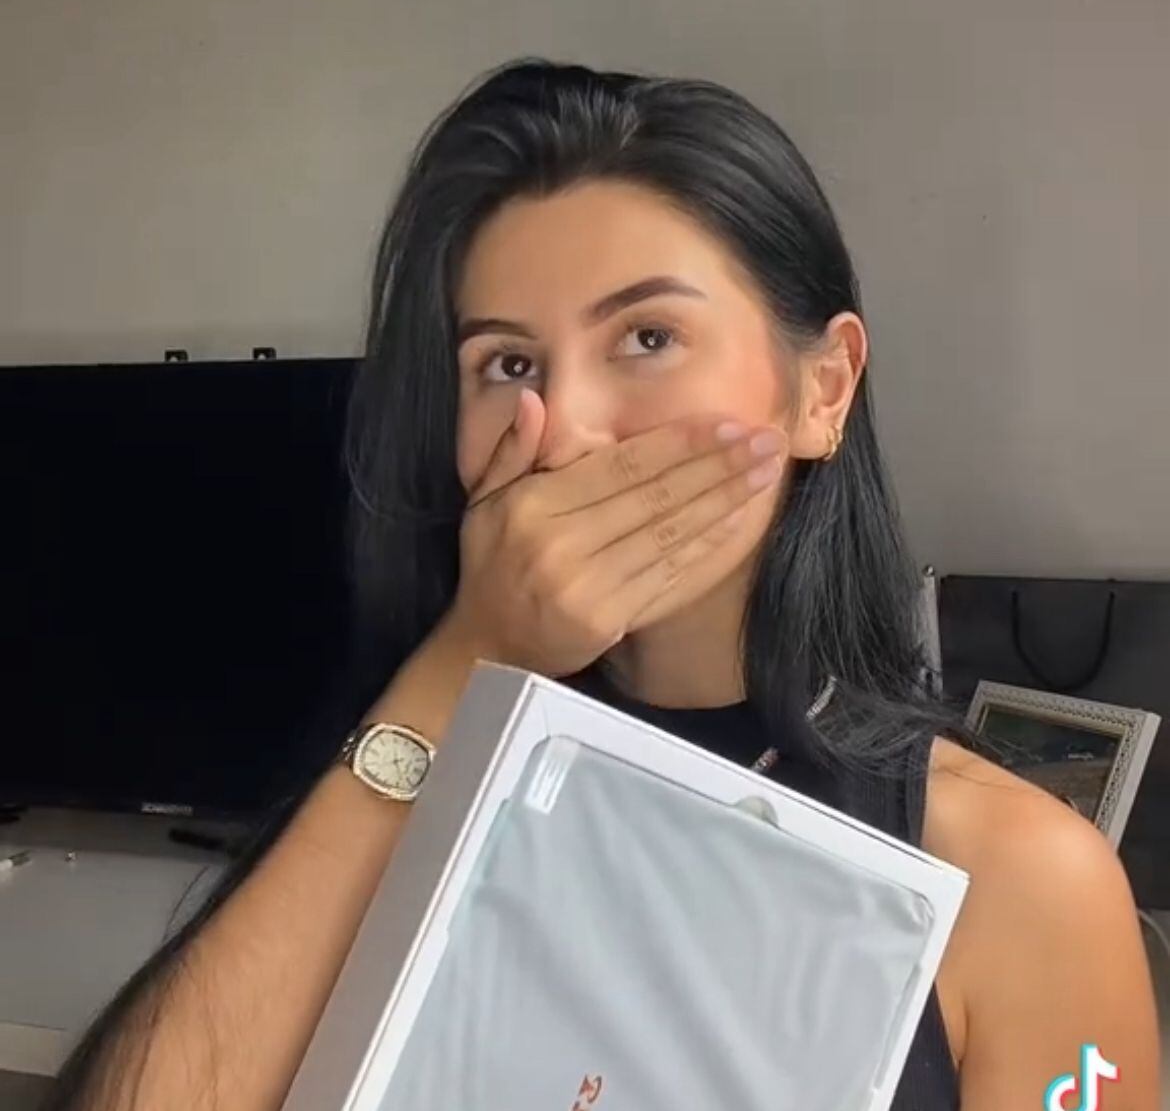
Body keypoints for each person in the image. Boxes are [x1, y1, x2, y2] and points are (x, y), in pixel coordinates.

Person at [48, 62, 1160, 1111]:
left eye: (647, 336)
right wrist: (465, 663)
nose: (567, 429)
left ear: (822, 390)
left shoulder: (1025, 879)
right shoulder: (408, 760)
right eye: (507, 364)